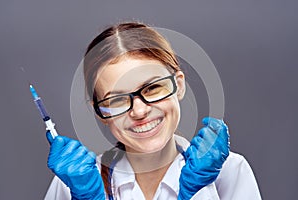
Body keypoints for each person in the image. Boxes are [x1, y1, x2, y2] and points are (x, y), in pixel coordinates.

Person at [44, 22, 262, 200]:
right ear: (100, 113)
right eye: (117, 100)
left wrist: (195, 194)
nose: (139, 111)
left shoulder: (229, 173)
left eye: (152, 88)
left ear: (179, 85)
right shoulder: (72, 185)